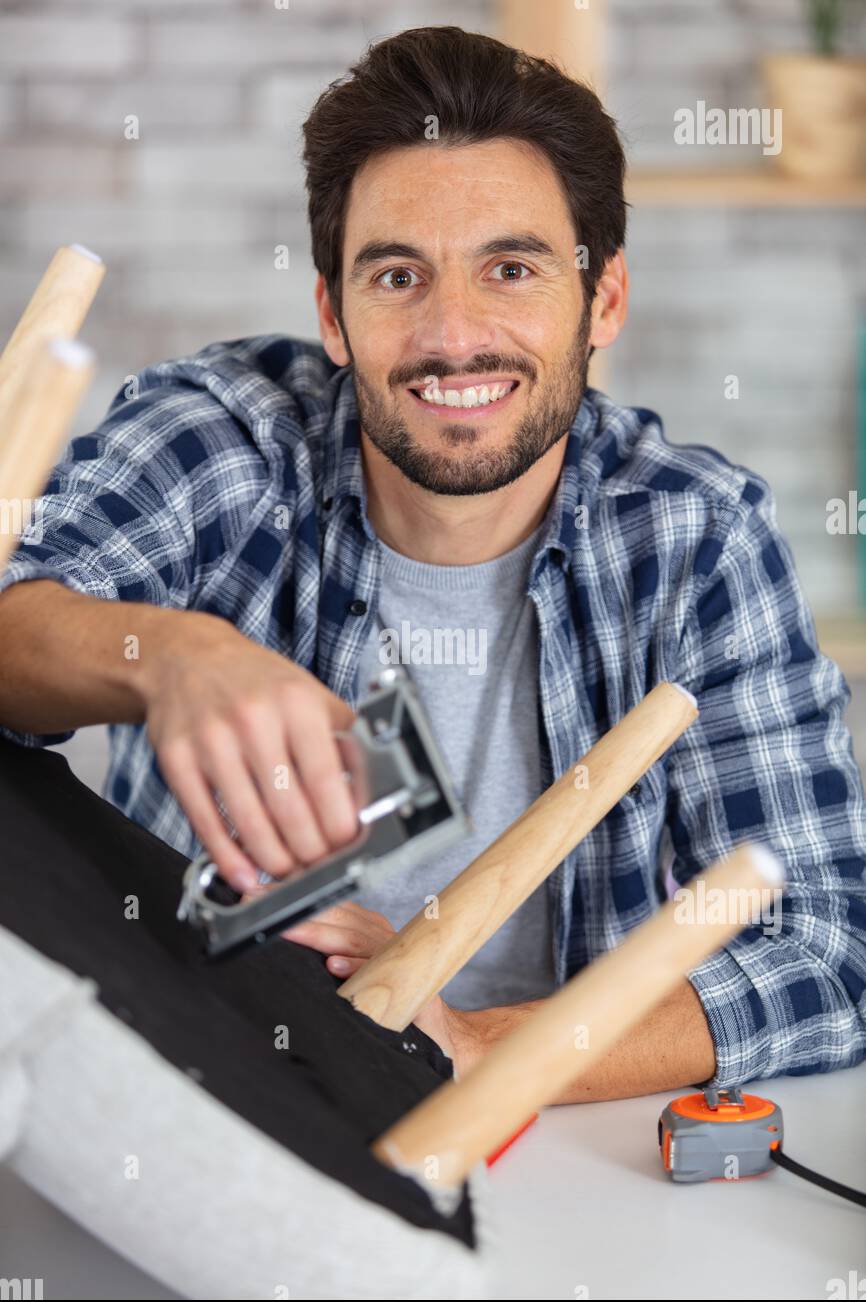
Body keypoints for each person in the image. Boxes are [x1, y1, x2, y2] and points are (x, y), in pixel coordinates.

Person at [1, 27, 864, 1100]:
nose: (453, 335)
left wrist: (478, 1045)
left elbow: (826, 952)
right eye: (397, 275)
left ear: (602, 300)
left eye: (510, 269)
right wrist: (166, 654)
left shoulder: (694, 538)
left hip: (546, 1138)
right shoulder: (222, 439)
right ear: (332, 313)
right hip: (197, 1087)